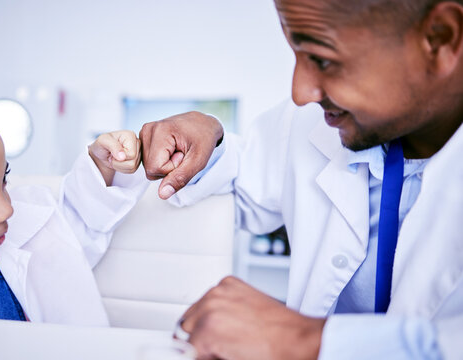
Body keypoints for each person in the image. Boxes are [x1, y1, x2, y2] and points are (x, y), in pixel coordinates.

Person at [139, 0, 463, 358]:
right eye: (296, 52)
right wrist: (207, 138)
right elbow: (242, 177)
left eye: (323, 60)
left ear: (440, 38)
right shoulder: (312, 121)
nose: (300, 92)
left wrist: (307, 340)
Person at [0, 51, 147, 325]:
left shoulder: (22, 233)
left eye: (3, 181)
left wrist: (104, 166)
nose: (7, 209)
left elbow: (80, 223)